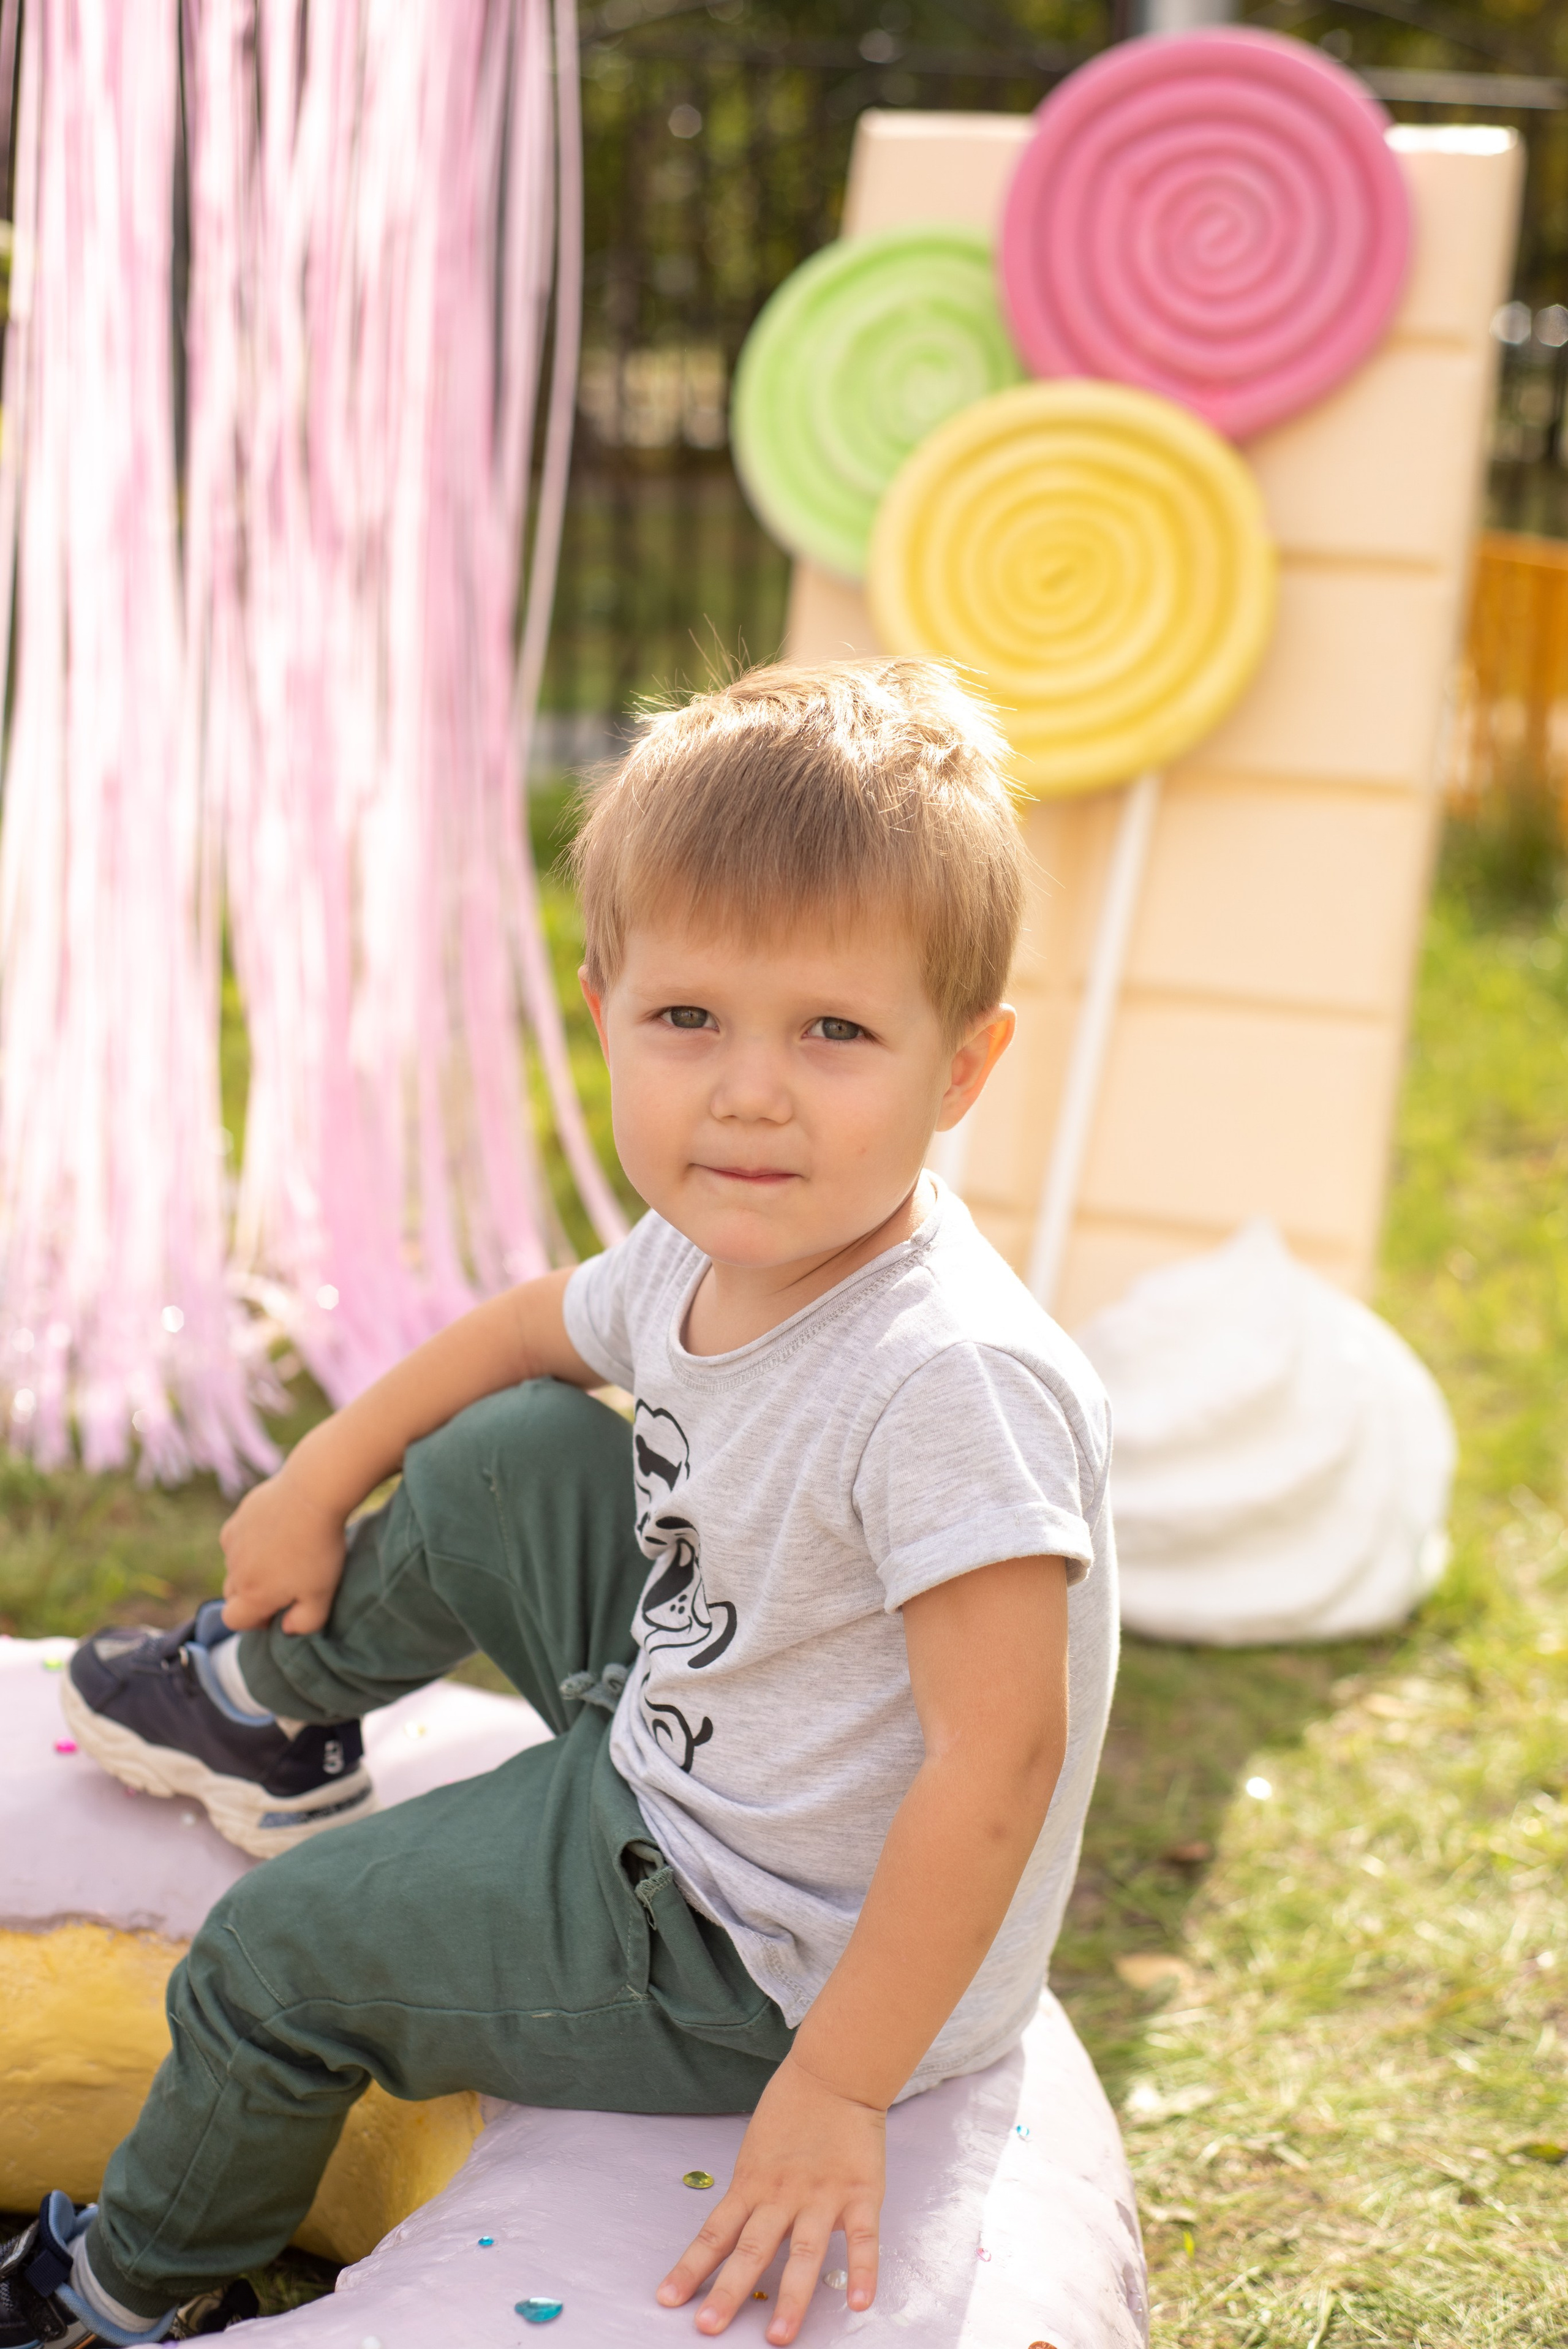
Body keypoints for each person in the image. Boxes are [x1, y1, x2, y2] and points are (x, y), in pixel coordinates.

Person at [6, 661, 1117, 2349]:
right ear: (604, 1007)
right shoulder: (719, 1239)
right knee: (508, 1443)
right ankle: (271, 1715)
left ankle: (120, 2288)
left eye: (834, 1030)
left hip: (753, 1934)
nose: (750, 1090)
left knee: (276, 1957)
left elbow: (1000, 1757)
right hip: (706, 1706)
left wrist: (833, 2085)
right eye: (692, 1019)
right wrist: (316, 1475)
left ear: (962, 1068)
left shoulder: (944, 1376)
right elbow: (531, 1323)